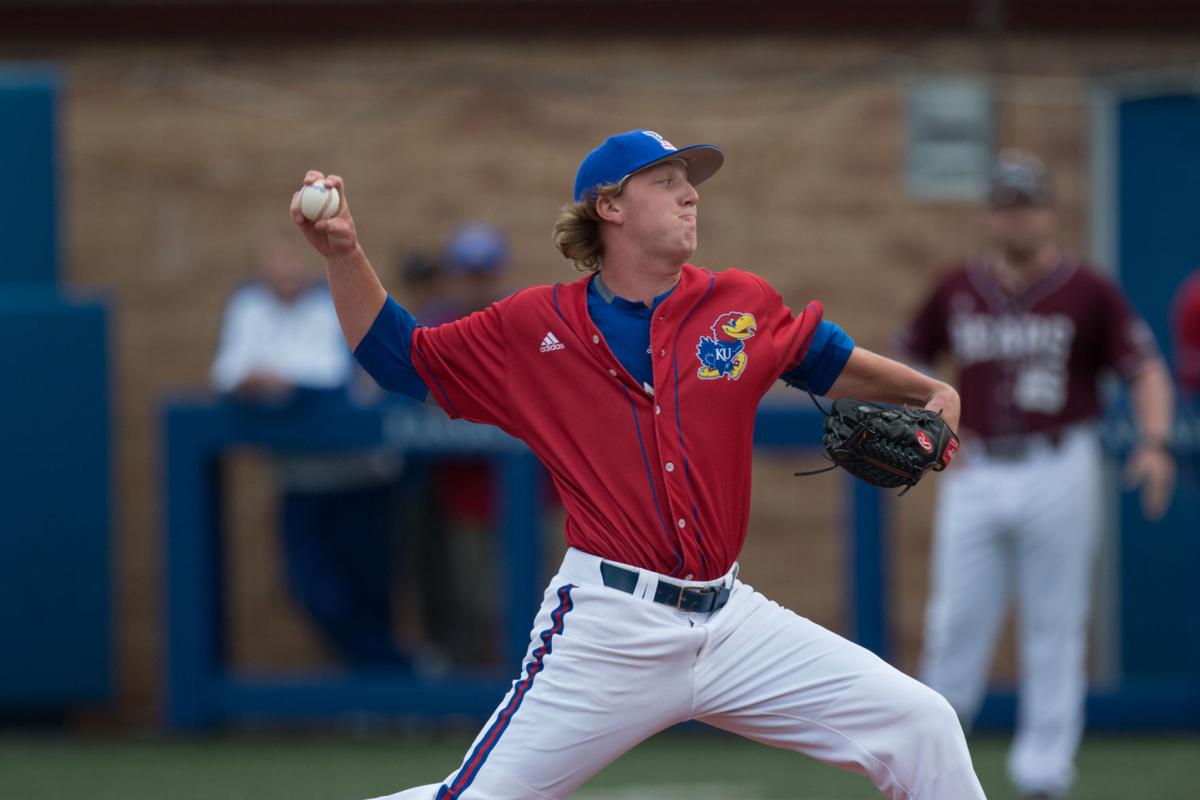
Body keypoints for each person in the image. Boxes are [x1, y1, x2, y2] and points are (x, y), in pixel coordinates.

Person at [292, 129, 985, 799]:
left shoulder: (738, 303)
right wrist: (344, 253)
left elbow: (826, 360)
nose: (691, 197)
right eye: (668, 182)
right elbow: (398, 357)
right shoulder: (532, 327)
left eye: (691, 185)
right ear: (610, 206)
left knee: (922, 726)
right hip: (609, 628)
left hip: (732, 622)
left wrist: (929, 390)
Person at [896, 149, 1176, 800]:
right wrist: (919, 425)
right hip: (977, 466)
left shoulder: (1087, 289)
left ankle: (1044, 776)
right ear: (989, 215)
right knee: (952, 625)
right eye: (1004, 206)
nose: (1015, 219)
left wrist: (1156, 442)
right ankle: (934, 772)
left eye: (1026, 205)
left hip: (1060, 462)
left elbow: (1144, 367)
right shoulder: (957, 287)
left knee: (1056, 624)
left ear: (1049, 213)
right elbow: (908, 357)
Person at [211, 238, 411, 670]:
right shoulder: (250, 306)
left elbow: (328, 378)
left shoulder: (330, 304)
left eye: (292, 264)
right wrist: (265, 384)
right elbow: (228, 374)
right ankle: (389, 675)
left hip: (361, 478)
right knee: (312, 590)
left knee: (371, 589)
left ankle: (386, 689)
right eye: (276, 264)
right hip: (300, 480)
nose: (285, 275)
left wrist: (279, 384)